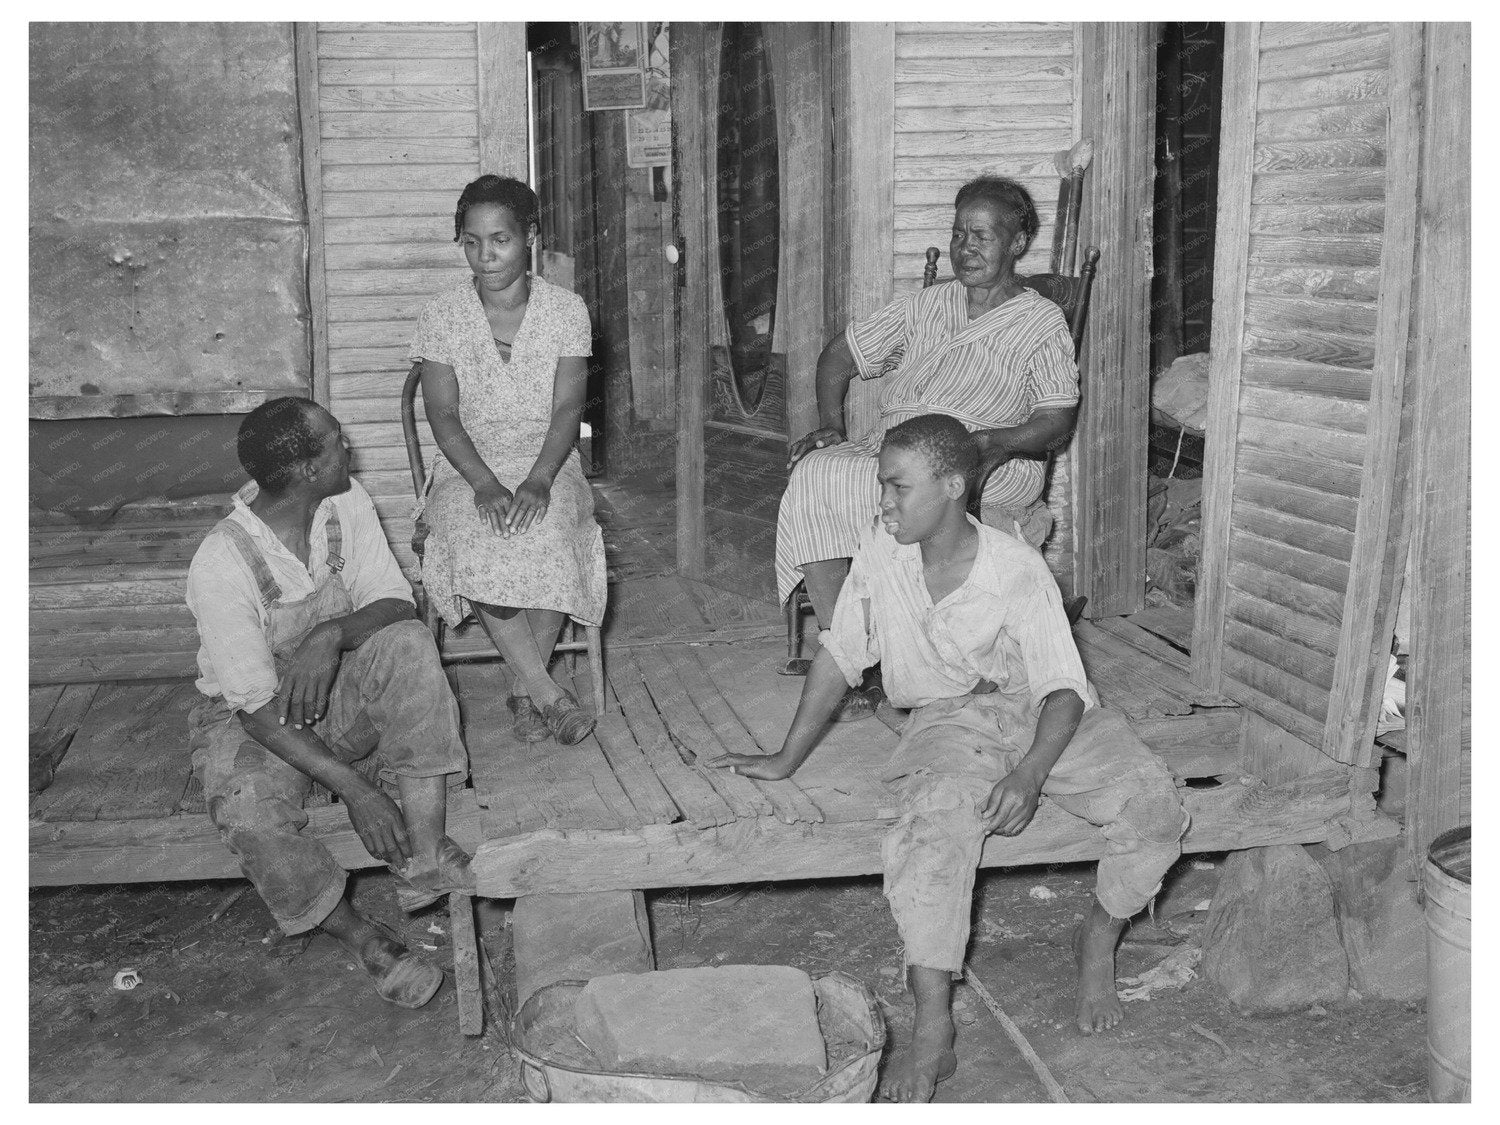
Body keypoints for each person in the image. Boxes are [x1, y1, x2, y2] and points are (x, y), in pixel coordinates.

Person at [714, 415, 1187, 1101]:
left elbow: (1063, 688)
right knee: (932, 827)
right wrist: (785, 756)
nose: (884, 503)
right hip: (948, 717)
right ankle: (934, 1023)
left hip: (1040, 708)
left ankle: (1099, 935)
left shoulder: (1014, 568)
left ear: (953, 485)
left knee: (1155, 805)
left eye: (899, 488)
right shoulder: (883, 550)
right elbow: (843, 649)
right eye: (883, 486)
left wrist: (1028, 773)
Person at [185, 397, 474, 1010]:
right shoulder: (221, 561)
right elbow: (256, 707)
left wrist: (331, 634)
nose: (350, 447)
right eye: (337, 441)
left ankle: (422, 856)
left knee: (408, 643)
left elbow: (396, 603)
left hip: (336, 692)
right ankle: (360, 935)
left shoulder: (345, 503)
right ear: (309, 470)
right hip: (259, 723)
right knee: (247, 812)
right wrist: (357, 790)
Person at [775, 176, 1080, 717]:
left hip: (992, 456)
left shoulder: (1039, 321)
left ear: (1016, 242)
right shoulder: (926, 304)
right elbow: (840, 355)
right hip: (901, 448)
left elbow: (1056, 417)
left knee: (900, 484)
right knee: (819, 471)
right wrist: (831, 425)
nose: (967, 248)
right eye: (960, 233)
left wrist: (992, 442)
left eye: (983, 236)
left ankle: (937, 655)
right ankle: (843, 649)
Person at [412, 174, 606, 745]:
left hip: (549, 456)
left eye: (500, 239)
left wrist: (542, 478)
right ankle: (545, 695)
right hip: (466, 462)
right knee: (482, 536)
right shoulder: (442, 315)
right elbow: (443, 415)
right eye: (471, 242)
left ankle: (525, 689)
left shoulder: (567, 311)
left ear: (530, 238)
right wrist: (482, 482)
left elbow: (568, 406)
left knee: (548, 535)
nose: (485, 254)